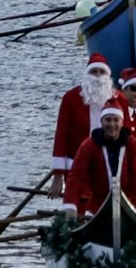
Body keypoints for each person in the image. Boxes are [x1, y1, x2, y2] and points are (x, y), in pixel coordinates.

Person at [51, 57, 125, 194]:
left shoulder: (119, 99)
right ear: (87, 75)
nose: (97, 76)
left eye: (101, 72)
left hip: (110, 168)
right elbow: (61, 135)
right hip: (77, 166)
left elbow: (126, 134)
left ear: (108, 76)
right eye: (93, 72)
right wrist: (58, 175)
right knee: (79, 206)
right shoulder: (71, 98)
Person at [64, 101, 136, 217]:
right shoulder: (88, 146)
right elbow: (76, 177)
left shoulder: (134, 146)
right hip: (97, 206)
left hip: (128, 206)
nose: (112, 124)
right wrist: (70, 205)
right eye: (108, 120)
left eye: (116, 120)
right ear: (101, 122)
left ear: (122, 122)